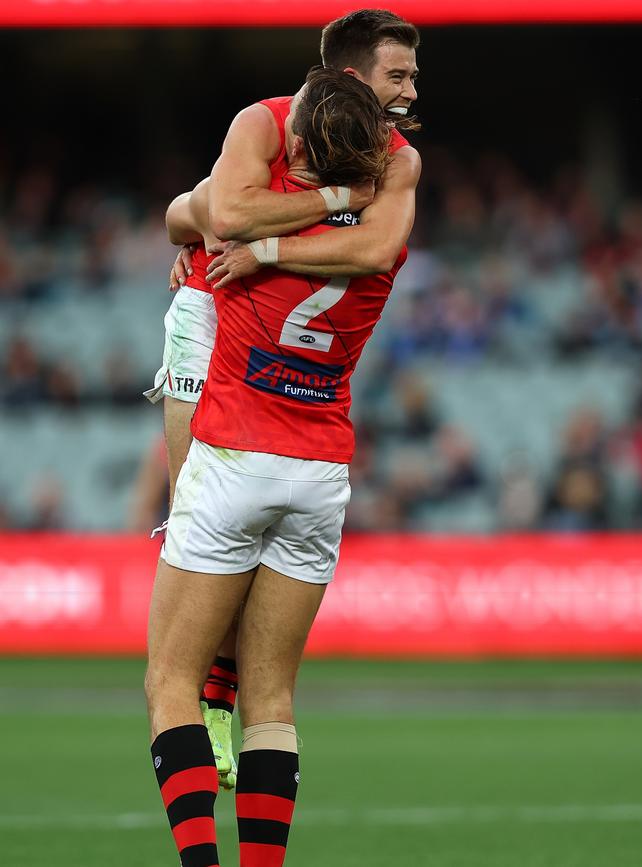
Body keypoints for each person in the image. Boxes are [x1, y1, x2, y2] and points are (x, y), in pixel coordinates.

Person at [146, 65, 418, 867]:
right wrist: (344, 198)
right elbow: (374, 232)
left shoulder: (238, 239)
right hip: (320, 472)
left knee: (170, 681)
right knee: (275, 696)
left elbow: (190, 213)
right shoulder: (375, 250)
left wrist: (226, 234)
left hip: (234, 456)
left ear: (293, 143)